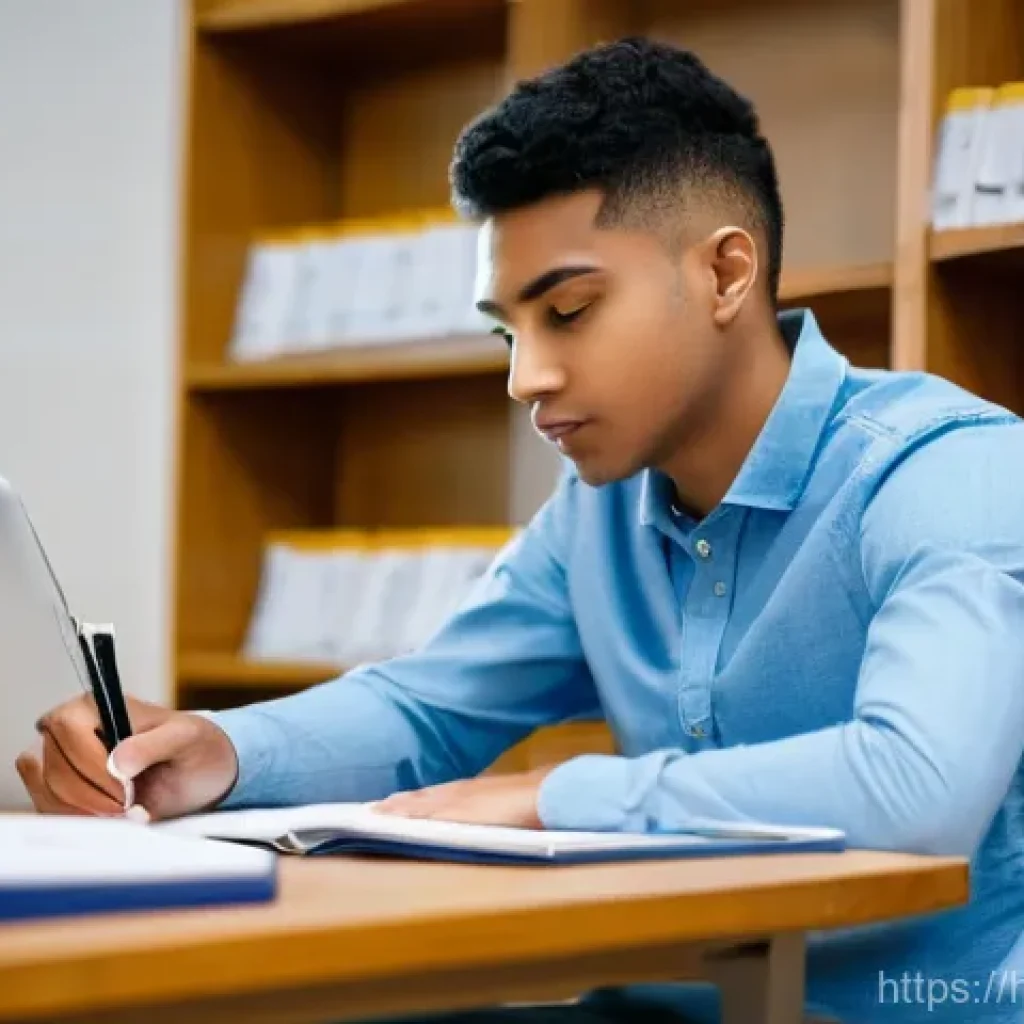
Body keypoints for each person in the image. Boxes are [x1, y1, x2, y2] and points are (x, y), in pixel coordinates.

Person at [16, 36, 1024, 1024]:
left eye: (570, 311)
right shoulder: (595, 512)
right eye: (508, 332)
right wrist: (219, 749)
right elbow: (427, 708)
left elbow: (916, 782)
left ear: (724, 275)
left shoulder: (948, 471)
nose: (523, 378)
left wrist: (551, 796)